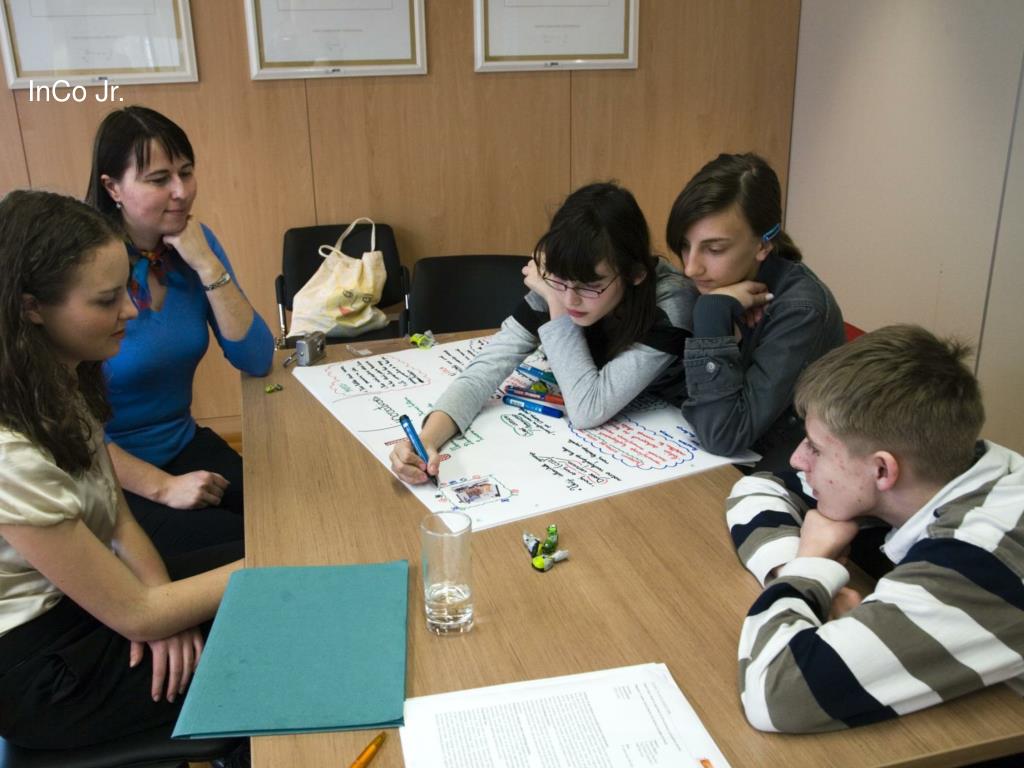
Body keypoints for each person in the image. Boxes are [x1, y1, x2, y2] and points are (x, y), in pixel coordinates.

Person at [0, 189, 244, 749]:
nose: (131, 312)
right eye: (108, 300)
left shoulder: (59, 377)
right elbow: (136, 615)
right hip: (42, 666)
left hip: (95, 600)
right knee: (282, 622)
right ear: (32, 308)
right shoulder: (11, 452)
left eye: (127, 290)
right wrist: (157, 613)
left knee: (265, 568)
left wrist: (167, 608)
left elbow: (117, 518)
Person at [725, 325, 1024, 733]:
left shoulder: (980, 556)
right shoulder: (948, 470)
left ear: (882, 470)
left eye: (815, 447)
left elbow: (775, 695)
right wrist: (800, 577)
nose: (797, 459)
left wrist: (810, 568)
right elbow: (760, 488)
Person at [390, 182, 697, 484]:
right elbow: (484, 371)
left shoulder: (670, 302)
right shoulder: (560, 280)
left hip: (668, 453)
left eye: (591, 286)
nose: (571, 299)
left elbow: (588, 409)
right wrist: (427, 439)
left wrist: (554, 300)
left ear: (635, 274)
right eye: (559, 281)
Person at [85, 106, 274, 554]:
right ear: (112, 187)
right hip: (107, 470)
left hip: (183, 444)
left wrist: (206, 263)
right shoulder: (83, 267)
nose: (181, 192)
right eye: (158, 179)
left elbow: (256, 358)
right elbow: (63, 426)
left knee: (288, 515)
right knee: (248, 550)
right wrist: (162, 486)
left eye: (186, 173)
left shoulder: (194, 245)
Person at [665, 153, 844, 466]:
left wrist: (710, 314)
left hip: (784, 474)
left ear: (763, 245)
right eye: (684, 245)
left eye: (714, 249)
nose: (691, 268)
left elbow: (722, 434)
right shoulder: (719, 282)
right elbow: (675, 391)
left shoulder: (801, 311)